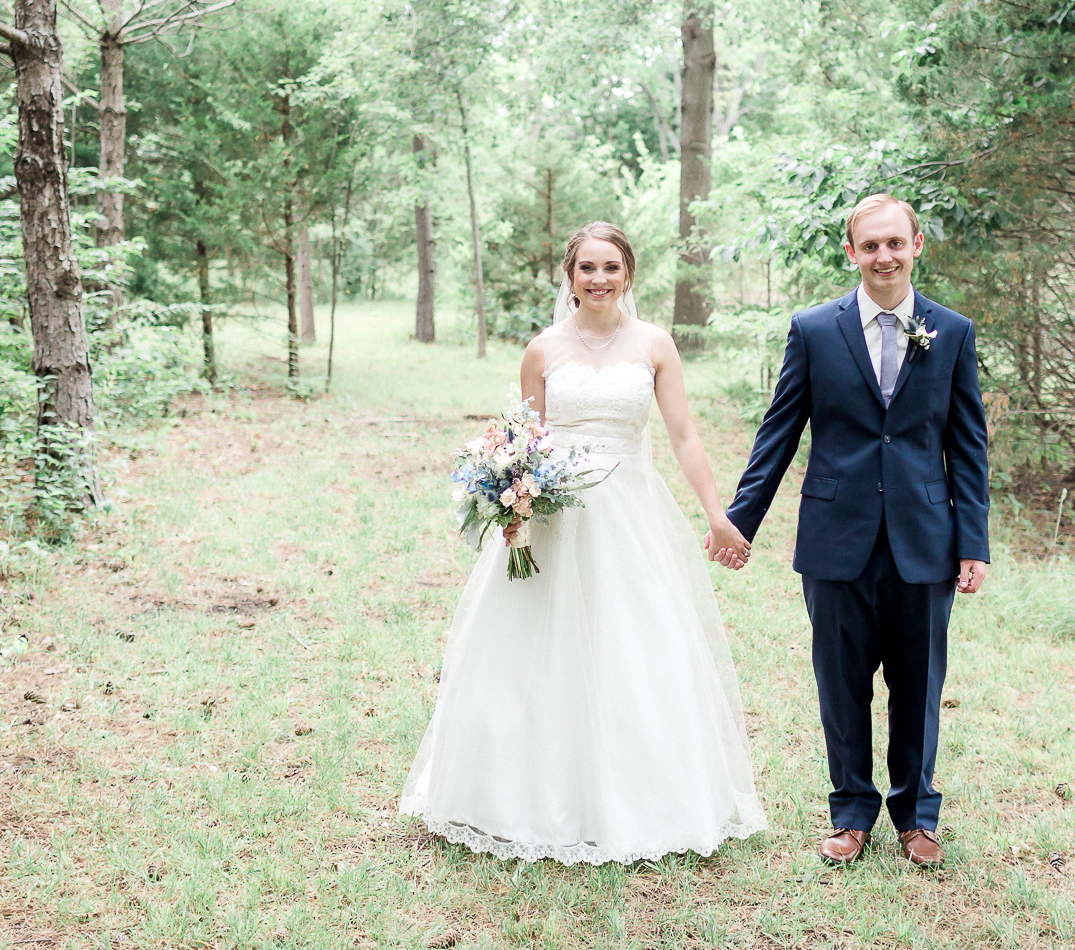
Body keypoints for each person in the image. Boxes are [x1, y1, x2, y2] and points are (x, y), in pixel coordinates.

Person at [399, 221, 765, 864]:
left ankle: (640, 795)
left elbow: (683, 435)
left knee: (635, 643)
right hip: (552, 514)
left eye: (611, 268)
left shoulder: (655, 344)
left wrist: (716, 512)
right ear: (569, 277)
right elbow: (523, 438)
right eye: (587, 268)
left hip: (628, 512)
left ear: (628, 275)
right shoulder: (541, 350)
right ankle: (521, 792)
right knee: (538, 645)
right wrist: (507, 501)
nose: (599, 279)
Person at [726, 193, 989, 868]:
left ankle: (916, 815)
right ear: (851, 253)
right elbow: (779, 432)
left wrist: (973, 543)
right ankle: (850, 813)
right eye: (869, 245)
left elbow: (969, 445)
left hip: (925, 539)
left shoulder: (951, 332)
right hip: (835, 538)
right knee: (840, 684)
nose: (883, 256)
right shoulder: (814, 330)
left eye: (894, 243)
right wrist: (741, 520)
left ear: (917, 245)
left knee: (919, 685)